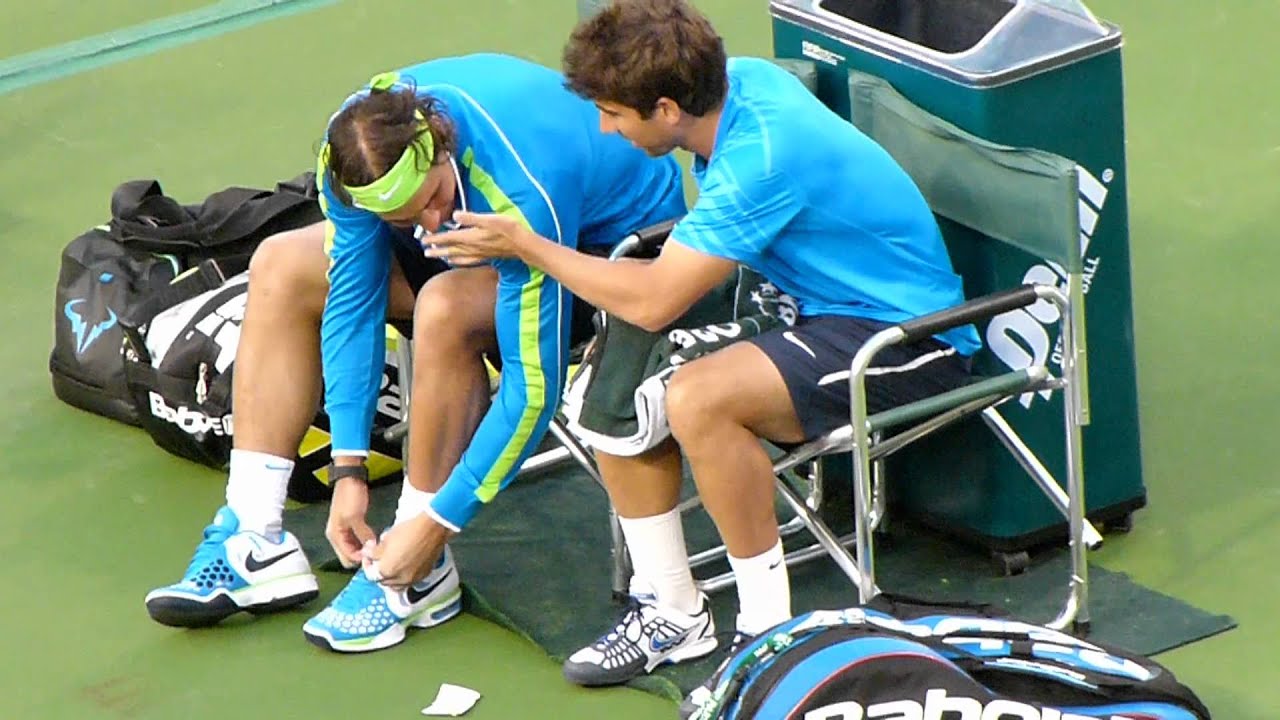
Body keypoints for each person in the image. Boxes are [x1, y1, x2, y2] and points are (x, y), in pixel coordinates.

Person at [426, 0, 981, 687]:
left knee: (697, 400)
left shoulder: (761, 157)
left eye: (614, 114)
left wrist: (526, 245)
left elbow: (658, 298)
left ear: (664, 109)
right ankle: (673, 612)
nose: (604, 127)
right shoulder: (732, 87)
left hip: (900, 336)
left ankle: (769, 635)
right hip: (797, 303)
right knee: (609, 387)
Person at [143, 52, 686, 654]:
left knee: (446, 307)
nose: (428, 220)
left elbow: (535, 390)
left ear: (439, 149)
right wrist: (348, 468)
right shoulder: (350, 156)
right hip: (479, 229)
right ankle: (255, 535)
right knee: (282, 263)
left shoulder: (520, 180)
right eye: (404, 216)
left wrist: (434, 525)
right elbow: (354, 303)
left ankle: (421, 568)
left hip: (604, 252)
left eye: (431, 199)